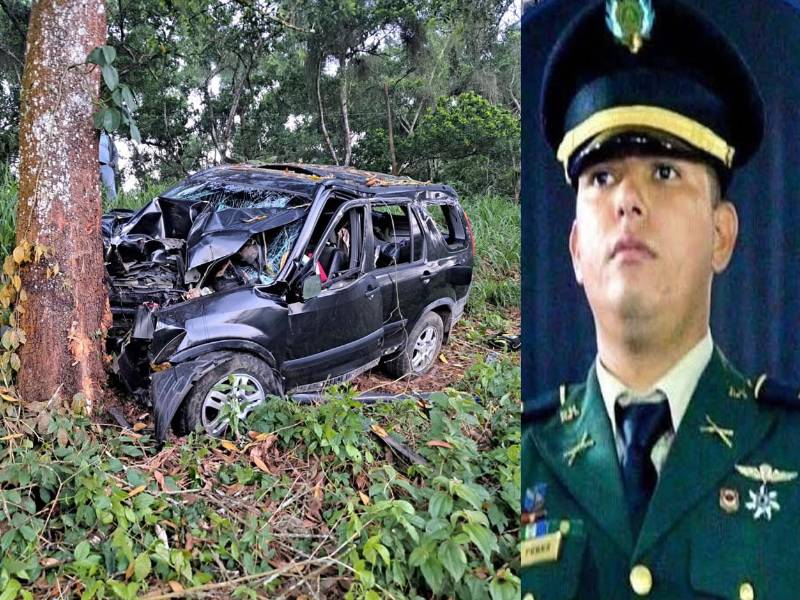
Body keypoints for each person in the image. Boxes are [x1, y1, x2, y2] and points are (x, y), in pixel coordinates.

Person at [521, 1, 800, 598]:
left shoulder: (790, 448)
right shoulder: (524, 452)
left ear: (721, 235)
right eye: (601, 177)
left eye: (665, 172)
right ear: (574, 249)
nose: (627, 200)